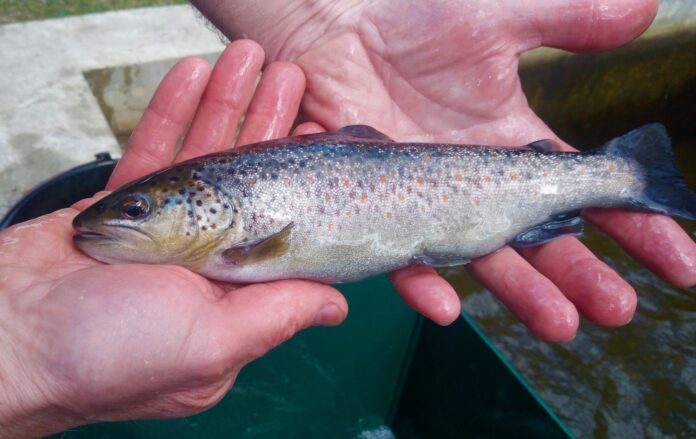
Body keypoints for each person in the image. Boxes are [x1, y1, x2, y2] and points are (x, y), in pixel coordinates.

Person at [0, 1, 694, 436]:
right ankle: (622, 174)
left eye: (140, 208)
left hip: (484, 192)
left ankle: (627, 173)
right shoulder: (219, 242)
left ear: (202, 206)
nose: (120, 218)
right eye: (135, 207)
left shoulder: (239, 244)